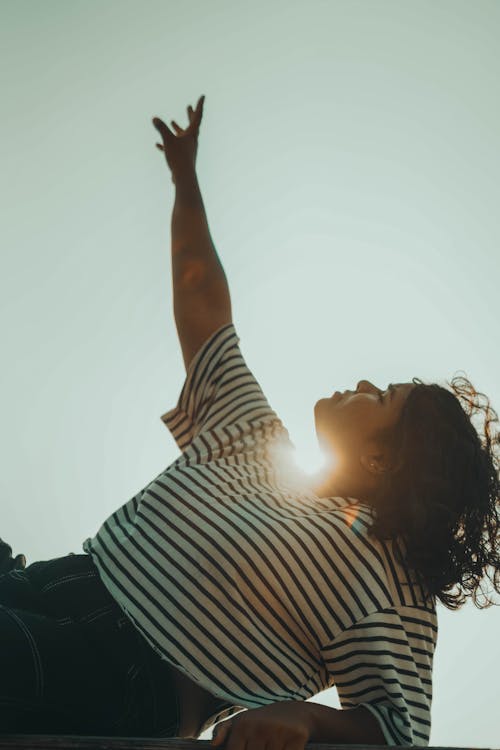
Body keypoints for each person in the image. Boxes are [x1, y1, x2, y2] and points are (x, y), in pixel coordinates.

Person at [1, 95, 499, 746]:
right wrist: (185, 180)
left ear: (385, 458)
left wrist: (301, 716)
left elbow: (395, 731)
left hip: (121, 671)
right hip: (47, 583)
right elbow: (204, 303)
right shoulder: (256, 443)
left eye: (384, 397)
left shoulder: (391, 578)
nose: (367, 382)